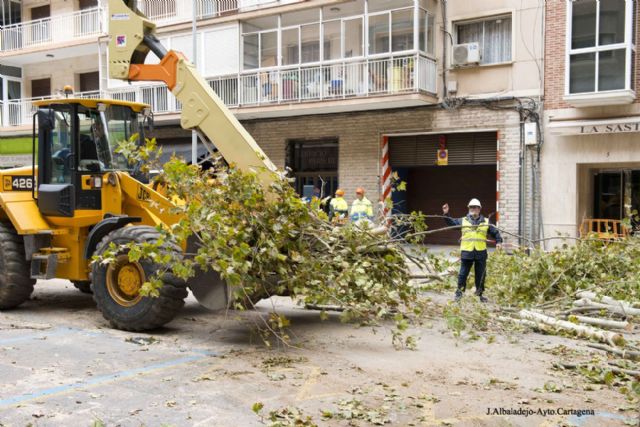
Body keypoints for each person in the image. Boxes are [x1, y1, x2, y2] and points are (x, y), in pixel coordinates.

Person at [442, 198, 503, 303]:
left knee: (481, 275)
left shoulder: (486, 222)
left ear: (479, 209)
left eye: (475, 207)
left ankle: (479, 295)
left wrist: (499, 242)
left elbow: (495, 232)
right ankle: (459, 294)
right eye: (471, 207)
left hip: (481, 252)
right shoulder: (463, 220)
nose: (473, 209)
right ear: (469, 208)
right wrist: (446, 214)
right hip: (467, 251)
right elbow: (451, 223)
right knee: (462, 274)